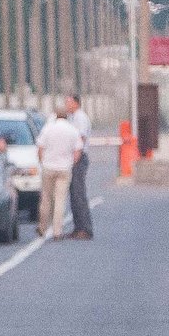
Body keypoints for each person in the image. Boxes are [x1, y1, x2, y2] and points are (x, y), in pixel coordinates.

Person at [35, 106, 83, 240]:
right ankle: (57, 231)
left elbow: (40, 147)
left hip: (48, 167)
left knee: (46, 199)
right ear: (67, 116)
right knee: (60, 200)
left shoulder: (48, 128)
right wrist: (71, 162)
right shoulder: (72, 130)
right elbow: (78, 150)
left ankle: (42, 227)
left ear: (56, 115)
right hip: (64, 168)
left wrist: (42, 161)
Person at [65, 93, 94, 239]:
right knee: (73, 196)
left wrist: (75, 158)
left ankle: (85, 228)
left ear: (76, 103)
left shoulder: (80, 118)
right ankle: (77, 227)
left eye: (69, 102)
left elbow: (80, 138)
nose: (66, 105)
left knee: (79, 194)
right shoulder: (72, 118)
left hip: (79, 158)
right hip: (72, 157)